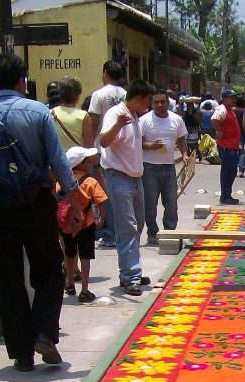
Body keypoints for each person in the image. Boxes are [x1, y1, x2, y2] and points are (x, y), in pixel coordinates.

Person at [0, 53, 83, 371]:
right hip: (37, 202)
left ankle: (21, 353)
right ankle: (43, 332)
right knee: (50, 271)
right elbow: (58, 159)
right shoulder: (38, 111)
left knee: (7, 277)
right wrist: (75, 200)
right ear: (21, 80)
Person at [100, 79, 152, 295]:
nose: (147, 107)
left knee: (138, 223)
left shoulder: (134, 116)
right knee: (127, 226)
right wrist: (118, 125)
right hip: (118, 176)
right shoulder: (116, 114)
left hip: (135, 177)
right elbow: (103, 141)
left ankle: (130, 271)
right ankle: (131, 275)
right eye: (147, 101)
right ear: (139, 98)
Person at [58, 146, 107, 304]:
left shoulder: (62, 181)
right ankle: (84, 290)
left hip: (66, 225)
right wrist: (101, 219)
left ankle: (70, 283)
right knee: (85, 256)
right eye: (88, 161)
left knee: (69, 253)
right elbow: (101, 201)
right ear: (81, 164)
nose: (90, 163)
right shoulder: (90, 181)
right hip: (86, 224)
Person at [139, 87, 188, 246]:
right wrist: (150, 145)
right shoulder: (144, 120)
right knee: (150, 205)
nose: (160, 104)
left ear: (168, 103)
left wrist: (185, 155)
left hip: (169, 167)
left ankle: (169, 232)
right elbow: (137, 142)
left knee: (171, 203)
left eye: (163, 102)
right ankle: (152, 234)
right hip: (149, 168)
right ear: (151, 103)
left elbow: (181, 139)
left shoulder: (176, 119)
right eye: (156, 102)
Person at [88, 61, 127, 250]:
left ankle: (110, 233)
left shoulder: (98, 95)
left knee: (103, 194)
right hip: (124, 151)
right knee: (122, 195)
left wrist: (89, 146)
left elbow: (94, 123)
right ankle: (121, 232)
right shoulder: (127, 95)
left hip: (102, 149)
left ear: (105, 73)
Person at [212, 89, 242, 204]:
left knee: (231, 171)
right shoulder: (222, 109)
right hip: (226, 146)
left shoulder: (230, 110)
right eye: (232, 98)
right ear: (225, 99)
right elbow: (215, 119)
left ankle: (226, 194)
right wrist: (219, 131)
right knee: (228, 171)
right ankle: (225, 195)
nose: (234, 100)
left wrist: (237, 144)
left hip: (231, 145)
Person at [50, 76, 93, 152]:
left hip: (58, 160)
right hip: (78, 162)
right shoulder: (83, 116)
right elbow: (89, 147)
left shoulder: (50, 113)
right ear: (78, 96)